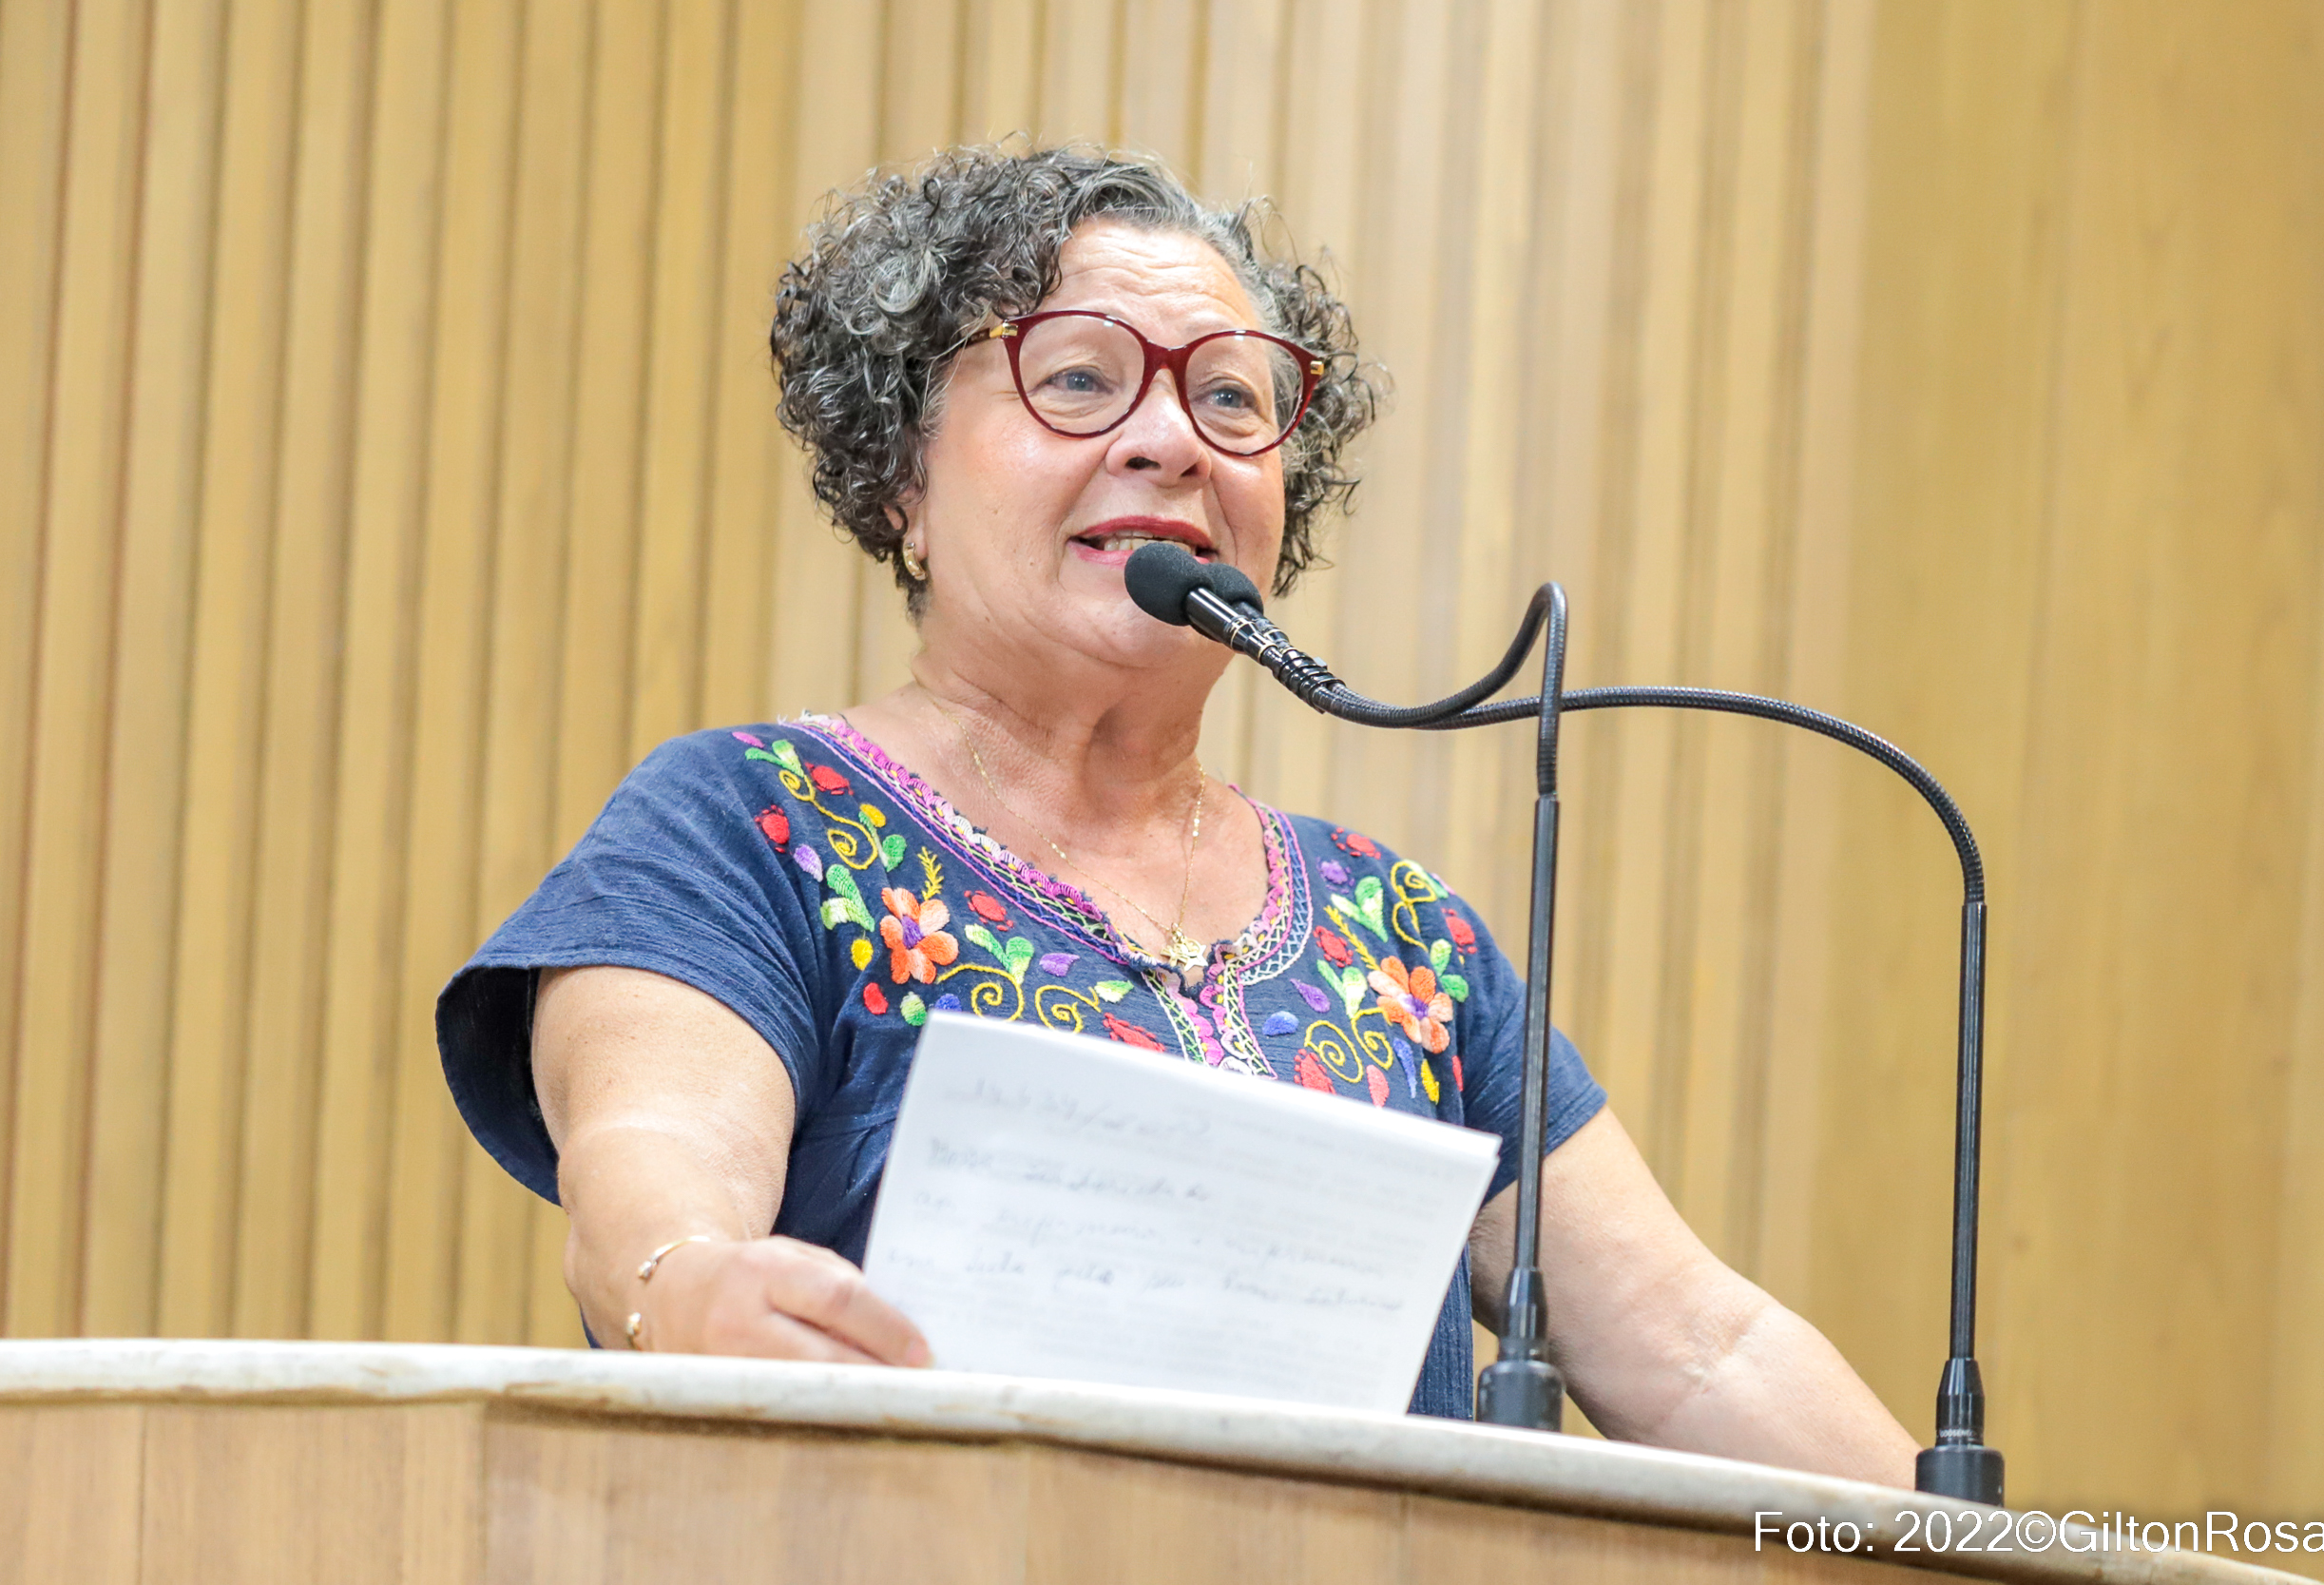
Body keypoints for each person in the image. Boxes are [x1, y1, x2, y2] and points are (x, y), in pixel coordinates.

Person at [437, 145, 1918, 1485]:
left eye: (1230, 398)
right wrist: (688, 1282)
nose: (1173, 440)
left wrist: (2001, 1550)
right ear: (901, 480)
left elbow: (1698, 1347)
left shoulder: (1401, 935)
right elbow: (656, 1164)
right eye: (1080, 380)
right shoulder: (751, 824)